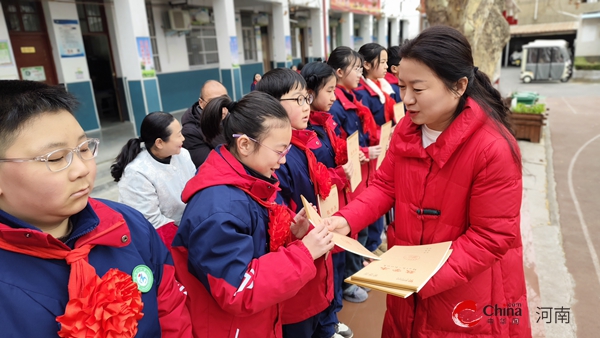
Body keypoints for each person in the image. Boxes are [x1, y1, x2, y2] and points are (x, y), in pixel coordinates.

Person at [325, 25, 530, 338]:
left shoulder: (492, 148)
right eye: (402, 86)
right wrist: (344, 220)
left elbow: (491, 236)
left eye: (417, 89)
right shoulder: (408, 129)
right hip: (409, 286)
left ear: (459, 85)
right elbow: (384, 186)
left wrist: (419, 275)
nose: (406, 99)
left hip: (466, 294)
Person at [0, 80, 191, 337]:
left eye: (83, 148)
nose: (82, 169)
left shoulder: (128, 225)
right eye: (56, 158)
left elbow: (171, 311)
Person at [171, 91, 334, 338]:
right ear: (245, 144)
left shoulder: (246, 180)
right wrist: (304, 252)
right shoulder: (219, 207)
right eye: (279, 150)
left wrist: (292, 235)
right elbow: (238, 289)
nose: (283, 159)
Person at [256, 68, 345, 338]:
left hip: (313, 255)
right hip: (298, 264)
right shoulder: (277, 158)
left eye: (306, 98)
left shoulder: (301, 146)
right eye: (299, 100)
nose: (307, 106)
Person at [301, 61, 355, 338]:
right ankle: (326, 323)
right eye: (329, 90)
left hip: (333, 201)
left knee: (335, 261)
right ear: (310, 93)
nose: (334, 96)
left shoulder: (325, 122)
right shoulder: (304, 128)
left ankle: (332, 317)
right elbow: (314, 171)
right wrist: (336, 173)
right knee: (323, 266)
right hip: (316, 207)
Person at [327, 46, 381, 304]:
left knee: (357, 221)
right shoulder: (335, 106)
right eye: (356, 68)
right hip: (347, 174)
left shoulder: (352, 97)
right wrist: (359, 152)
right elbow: (340, 143)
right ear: (339, 72)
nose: (361, 73)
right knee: (347, 226)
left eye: (361, 68)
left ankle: (355, 270)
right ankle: (350, 278)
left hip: (358, 168)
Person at [111, 112, 196, 249]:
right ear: (159, 143)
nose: (183, 138)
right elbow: (151, 221)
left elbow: (196, 187)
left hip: (190, 226)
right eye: (178, 135)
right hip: (162, 238)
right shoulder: (137, 172)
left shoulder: (183, 155)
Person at [182, 80, 229, 167]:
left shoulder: (232, 114)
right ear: (201, 103)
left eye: (224, 100)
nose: (220, 106)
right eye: (213, 102)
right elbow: (209, 165)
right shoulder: (190, 131)